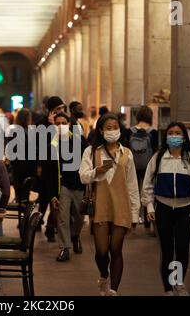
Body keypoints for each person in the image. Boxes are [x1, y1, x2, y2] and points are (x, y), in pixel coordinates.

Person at [141, 122, 190, 296]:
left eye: (178, 133)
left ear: (184, 137)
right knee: (166, 250)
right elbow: (147, 184)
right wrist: (149, 206)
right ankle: (167, 289)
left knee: (181, 248)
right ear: (166, 136)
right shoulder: (158, 158)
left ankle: (178, 282)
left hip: (184, 210)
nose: (174, 136)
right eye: (170, 133)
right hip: (162, 210)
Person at [79, 113, 140, 296]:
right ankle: (104, 274)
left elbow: (132, 185)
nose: (112, 131)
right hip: (100, 206)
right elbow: (82, 176)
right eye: (109, 128)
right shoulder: (91, 151)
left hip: (122, 207)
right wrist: (97, 171)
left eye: (115, 127)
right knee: (102, 251)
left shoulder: (127, 154)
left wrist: (135, 214)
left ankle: (114, 289)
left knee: (116, 249)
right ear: (101, 130)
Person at [49, 113, 87, 262]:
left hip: (78, 184)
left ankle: (75, 236)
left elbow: (88, 159)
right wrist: (53, 194)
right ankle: (65, 248)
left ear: (69, 124)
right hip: (63, 185)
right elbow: (50, 172)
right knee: (62, 217)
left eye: (64, 123)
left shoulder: (79, 140)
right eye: (57, 123)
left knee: (79, 217)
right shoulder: (52, 144)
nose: (61, 126)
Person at [35, 96, 67, 242]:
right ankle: (37, 221)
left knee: (57, 199)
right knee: (44, 198)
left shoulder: (65, 123)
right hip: (47, 165)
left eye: (62, 108)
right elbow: (39, 146)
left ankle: (50, 227)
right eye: (57, 109)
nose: (61, 111)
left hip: (61, 166)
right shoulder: (42, 123)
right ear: (51, 110)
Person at [126, 106, 159, 234]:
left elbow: (126, 150)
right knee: (148, 193)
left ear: (138, 116)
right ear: (150, 116)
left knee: (132, 193)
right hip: (148, 167)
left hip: (132, 167)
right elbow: (156, 151)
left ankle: (132, 222)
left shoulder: (129, 131)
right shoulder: (153, 132)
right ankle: (147, 225)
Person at [6, 108, 37, 202]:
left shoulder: (13, 132)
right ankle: (25, 211)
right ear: (28, 118)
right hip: (29, 166)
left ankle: (19, 206)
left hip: (17, 166)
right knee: (26, 191)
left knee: (18, 190)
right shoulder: (32, 132)